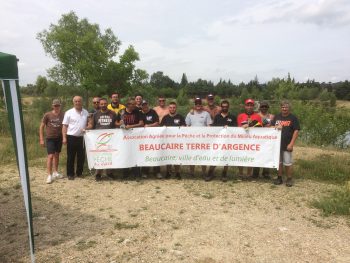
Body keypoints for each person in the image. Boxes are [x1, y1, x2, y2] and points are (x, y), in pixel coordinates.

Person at [87, 98, 118, 181]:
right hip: (99, 139)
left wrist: (121, 125)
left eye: (105, 103)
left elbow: (115, 124)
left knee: (110, 155)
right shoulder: (95, 114)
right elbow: (92, 125)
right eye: (101, 104)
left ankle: (109, 173)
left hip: (111, 138)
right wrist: (86, 129)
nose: (103, 105)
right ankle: (98, 174)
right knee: (100, 156)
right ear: (99, 105)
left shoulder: (113, 113)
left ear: (107, 104)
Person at [206, 100, 237, 182]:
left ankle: (224, 174)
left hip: (228, 141)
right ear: (221, 107)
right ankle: (210, 173)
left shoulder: (232, 117)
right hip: (218, 141)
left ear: (228, 107)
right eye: (223, 107)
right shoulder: (217, 116)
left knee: (226, 158)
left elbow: (236, 129)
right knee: (215, 157)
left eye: (226, 107)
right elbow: (214, 128)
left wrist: (230, 128)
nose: (224, 108)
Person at [271, 101, 300, 187]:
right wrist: (276, 126)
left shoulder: (293, 118)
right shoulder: (277, 116)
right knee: (279, 162)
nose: (284, 109)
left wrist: (291, 144)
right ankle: (279, 178)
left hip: (287, 144)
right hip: (277, 144)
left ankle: (289, 179)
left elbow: (296, 131)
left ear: (289, 108)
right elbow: (271, 127)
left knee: (287, 162)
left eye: (286, 107)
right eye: (283, 107)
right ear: (281, 108)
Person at [116, 98, 144, 180]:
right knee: (125, 153)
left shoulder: (137, 112)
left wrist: (131, 126)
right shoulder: (121, 112)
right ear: (128, 104)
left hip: (135, 137)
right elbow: (116, 123)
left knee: (136, 154)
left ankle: (137, 173)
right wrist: (119, 124)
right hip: (124, 137)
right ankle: (125, 173)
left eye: (134, 104)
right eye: (132, 104)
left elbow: (141, 123)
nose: (134, 106)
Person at [62, 96, 89, 180]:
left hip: (82, 138)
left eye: (79, 101)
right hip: (71, 137)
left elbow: (89, 124)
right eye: (76, 101)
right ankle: (70, 174)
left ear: (82, 102)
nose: (78, 103)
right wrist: (64, 137)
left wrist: (86, 128)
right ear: (73, 102)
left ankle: (79, 173)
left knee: (81, 157)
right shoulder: (69, 112)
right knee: (71, 156)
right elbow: (64, 126)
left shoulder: (86, 112)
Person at [185, 97, 212, 178]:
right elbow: (187, 125)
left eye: (199, 103)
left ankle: (204, 173)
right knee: (192, 156)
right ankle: (192, 172)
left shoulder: (206, 114)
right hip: (192, 139)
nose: (198, 105)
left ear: (201, 104)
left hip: (203, 139)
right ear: (194, 105)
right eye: (196, 103)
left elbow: (209, 126)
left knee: (203, 156)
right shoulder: (190, 114)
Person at [39, 99, 65, 184]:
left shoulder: (63, 114)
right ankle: (49, 175)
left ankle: (55, 172)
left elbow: (65, 126)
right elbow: (41, 127)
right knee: (50, 156)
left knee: (57, 155)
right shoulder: (48, 115)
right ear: (52, 106)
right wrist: (41, 139)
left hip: (59, 138)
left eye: (58, 105)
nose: (56, 107)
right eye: (55, 105)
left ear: (60, 106)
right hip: (50, 138)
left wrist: (65, 137)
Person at [237, 99, 262, 179]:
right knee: (240, 156)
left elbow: (260, 128)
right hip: (242, 140)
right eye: (248, 105)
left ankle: (248, 174)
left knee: (251, 156)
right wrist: (242, 127)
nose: (249, 107)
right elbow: (237, 129)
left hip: (252, 140)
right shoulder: (240, 116)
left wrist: (251, 125)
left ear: (253, 106)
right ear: (245, 106)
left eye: (251, 105)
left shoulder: (257, 116)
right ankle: (240, 174)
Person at [160, 101, 186, 179]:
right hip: (167, 141)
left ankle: (177, 172)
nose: (172, 109)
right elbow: (161, 128)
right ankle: (168, 172)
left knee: (176, 157)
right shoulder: (165, 117)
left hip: (177, 141)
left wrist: (183, 127)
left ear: (176, 108)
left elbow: (184, 127)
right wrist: (163, 127)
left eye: (174, 107)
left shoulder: (180, 117)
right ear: (168, 108)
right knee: (168, 157)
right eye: (170, 107)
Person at [252, 101, 275, 179]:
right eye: (262, 106)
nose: (264, 108)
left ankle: (266, 173)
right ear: (260, 108)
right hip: (257, 139)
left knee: (267, 155)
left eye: (265, 106)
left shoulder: (272, 117)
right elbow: (252, 126)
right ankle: (255, 173)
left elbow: (275, 126)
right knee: (257, 155)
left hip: (268, 140)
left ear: (268, 108)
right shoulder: (255, 115)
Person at [139, 100, 161, 178]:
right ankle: (145, 172)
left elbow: (157, 123)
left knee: (155, 153)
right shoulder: (140, 113)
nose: (144, 106)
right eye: (143, 105)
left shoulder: (153, 112)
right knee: (145, 153)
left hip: (153, 137)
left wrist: (149, 126)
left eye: (145, 105)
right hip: (143, 138)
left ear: (148, 105)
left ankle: (157, 171)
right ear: (141, 106)